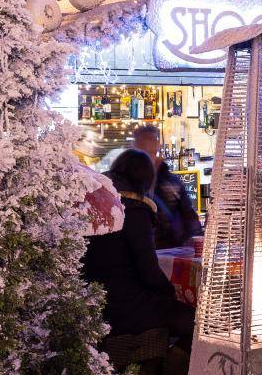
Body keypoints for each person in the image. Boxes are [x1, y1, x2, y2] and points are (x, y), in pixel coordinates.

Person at [81, 148, 195, 347]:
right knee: (197, 322)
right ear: (145, 180)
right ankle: (166, 373)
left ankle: (155, 365)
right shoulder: (134, 211)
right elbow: (148, 271)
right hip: (124, 307)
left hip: (92, 304)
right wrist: (169, 293)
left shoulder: (97, 204)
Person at [133, 125, 202, 249]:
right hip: (143, 253)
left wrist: (194, 241)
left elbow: (189, 215)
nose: (150, 158)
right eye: (145, 152)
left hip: (170, 251)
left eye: (153, 152)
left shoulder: (171, 181)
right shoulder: (128, 181)